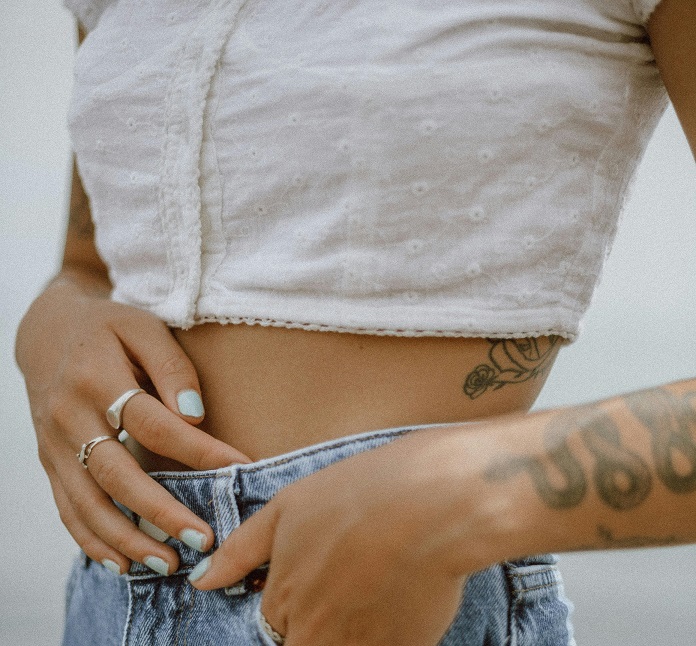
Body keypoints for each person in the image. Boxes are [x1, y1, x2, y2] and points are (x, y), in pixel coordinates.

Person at [14, 0, 695, 644]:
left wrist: (455, 498)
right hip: (117, 594)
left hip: (396, 598)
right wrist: (56, 314)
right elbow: (96, 260)